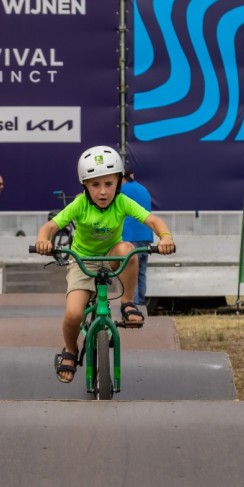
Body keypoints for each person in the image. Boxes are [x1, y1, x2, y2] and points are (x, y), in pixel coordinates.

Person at [34, 145, 175, 383]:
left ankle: (128, 302)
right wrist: (43, 240)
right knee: (73, 313)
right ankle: (70, 349)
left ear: (119, 183)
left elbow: (152, 220)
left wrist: (166, 237)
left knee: (128, 250)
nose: (102, 191)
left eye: (109, 184)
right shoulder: (80, 204)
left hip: (111, 256)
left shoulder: (122, 202)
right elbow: (50, 226)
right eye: (95, 185)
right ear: (85, 186)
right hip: (82, 260)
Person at [121, 168, 154, 305]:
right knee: (141, 272)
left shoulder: (123, 190)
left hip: (131, 235)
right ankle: (140, 302)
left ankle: (132, 304)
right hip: (146, 235)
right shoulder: (142, 188)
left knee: (131, 273)